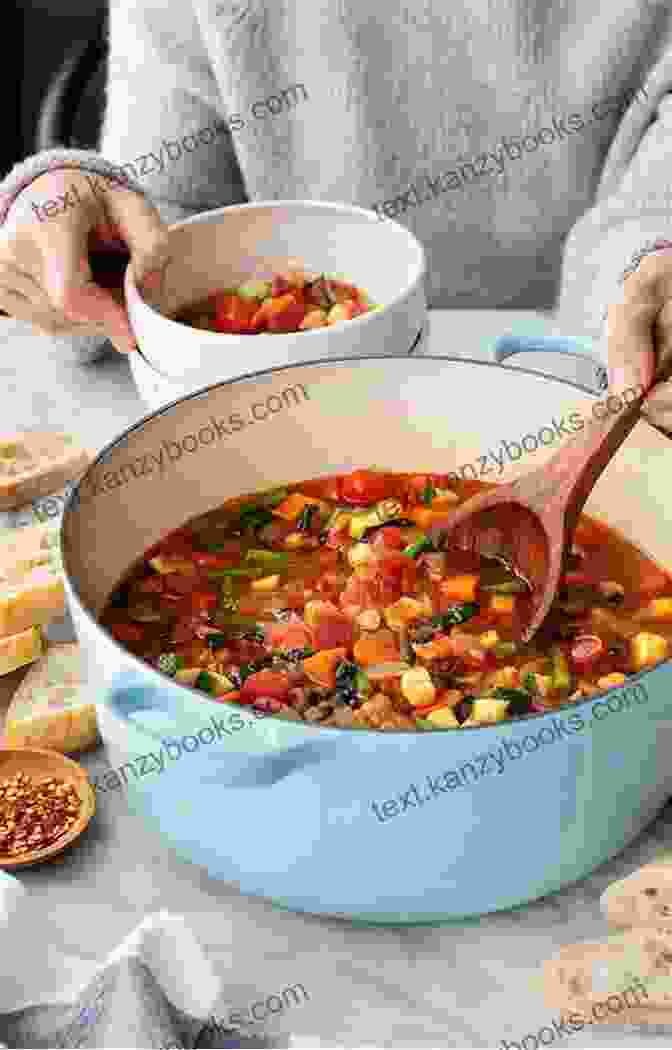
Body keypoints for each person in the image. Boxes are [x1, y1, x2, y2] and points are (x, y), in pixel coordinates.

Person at [1, 0, 672, 428]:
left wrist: (648, 289)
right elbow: (152, 230)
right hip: (259, 430)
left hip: (568, 394)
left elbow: (652, 217)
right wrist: (59, 213)